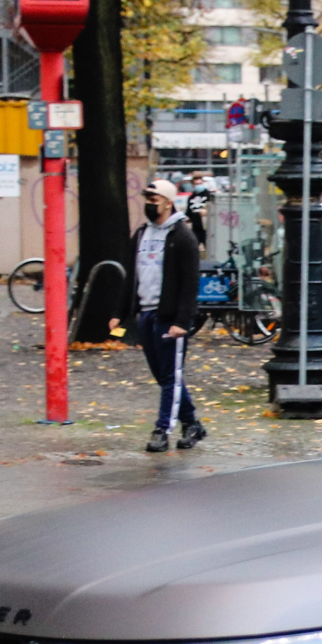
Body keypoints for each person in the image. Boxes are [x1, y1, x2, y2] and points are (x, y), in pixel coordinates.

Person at [129, 178, 204, 453]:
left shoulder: (182, 236)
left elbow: (190, 283)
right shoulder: (141, 234)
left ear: (168, 202)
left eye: (154, 199)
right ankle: (192, 423)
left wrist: (182, 322)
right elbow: (132, 275)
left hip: (168, 317)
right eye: (147, 199)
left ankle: (163, 430)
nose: (149, 204)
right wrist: (120, 313)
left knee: (170, 377)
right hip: (146, 314)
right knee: (164, 376)